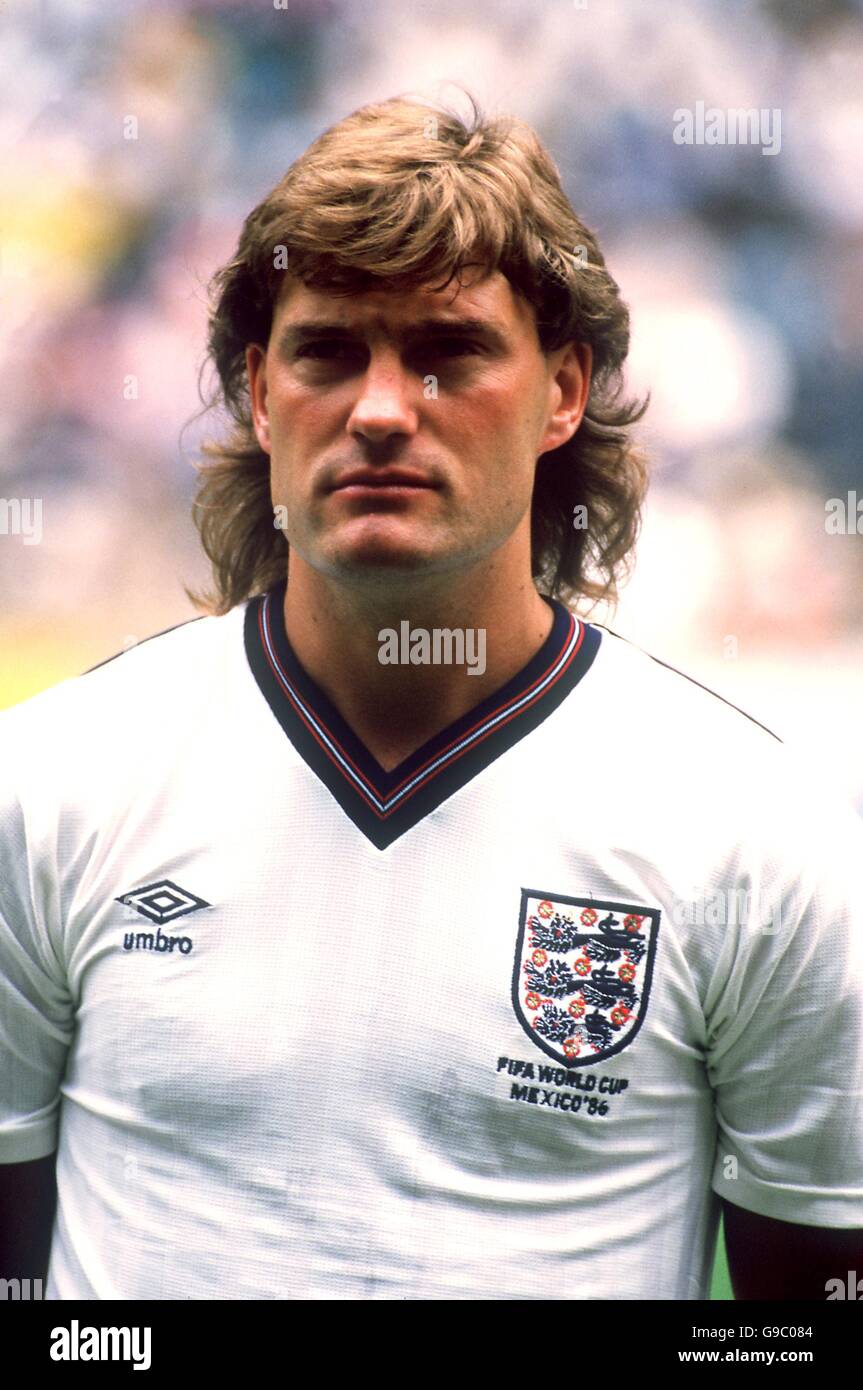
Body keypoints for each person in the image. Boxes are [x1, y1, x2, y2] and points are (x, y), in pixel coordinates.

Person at [1, 93, 861, 1302]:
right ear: (257, 392)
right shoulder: (50, 783)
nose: (379, 409)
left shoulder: (753, 832)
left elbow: (807, 1310)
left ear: (563, 392)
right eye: (327, 351)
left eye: (447, 352)